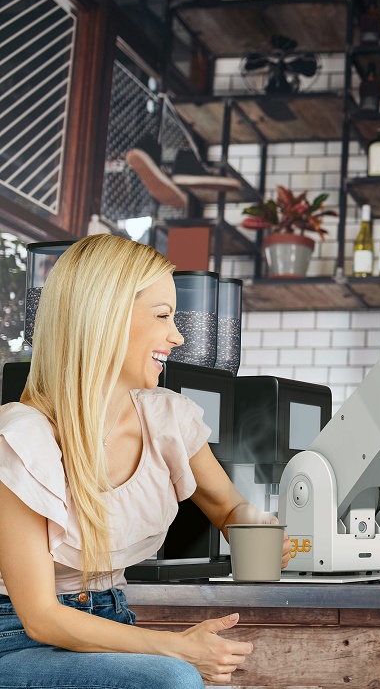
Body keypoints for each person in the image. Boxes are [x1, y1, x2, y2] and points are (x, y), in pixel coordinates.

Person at [0, 234, 291, 688]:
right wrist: (181, 648)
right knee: (172, 680)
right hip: (16, 639)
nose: (176, 336)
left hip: (112, 623)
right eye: (163, 316)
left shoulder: (167, 418)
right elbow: (40, 617)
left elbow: (228, 508)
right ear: (104, 319)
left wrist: (260, 527)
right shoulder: (21, 439)